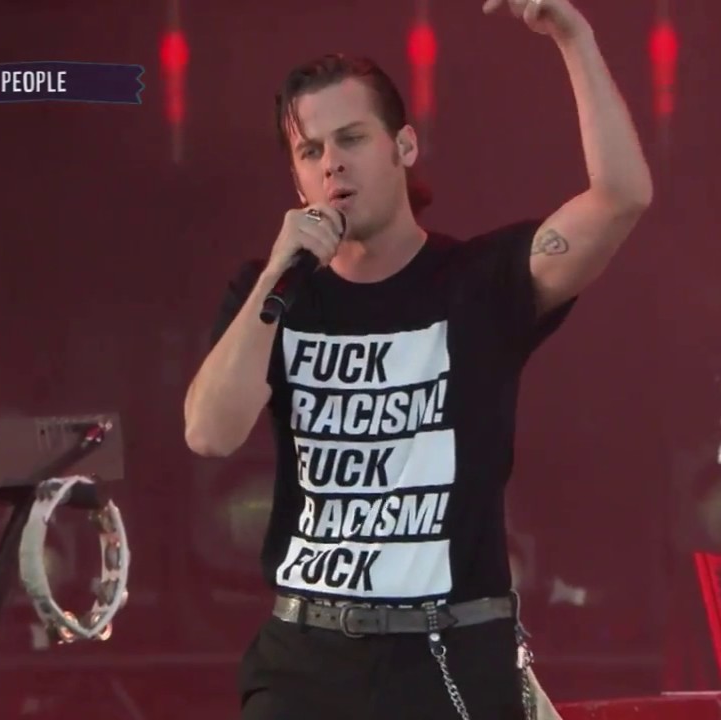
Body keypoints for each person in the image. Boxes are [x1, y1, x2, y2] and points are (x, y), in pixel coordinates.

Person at [183, 0, 652, 717]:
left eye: (352, 138)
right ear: (298, 182)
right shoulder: (271, 294)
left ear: (403, 146)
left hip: (449, 654)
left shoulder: (479, 282)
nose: (333, 162)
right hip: (304, 658)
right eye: (310, 152)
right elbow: (209, 433)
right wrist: (278, 275)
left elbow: (621, 198)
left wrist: (573, 36)